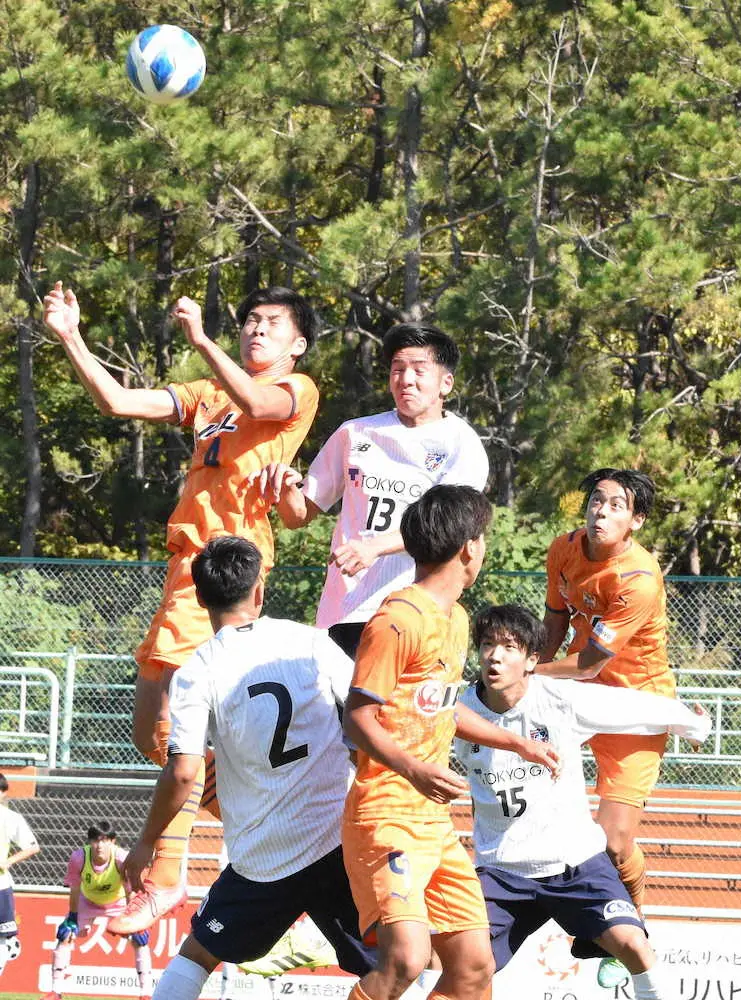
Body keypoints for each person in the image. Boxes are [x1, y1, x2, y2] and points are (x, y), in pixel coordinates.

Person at [43, 282, 320, 932]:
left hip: (228, 562)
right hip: (184, 569)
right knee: (153, 732)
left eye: (270, 323)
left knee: (177, 719)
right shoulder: (207, 396)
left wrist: (200, 338)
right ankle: (271, 817)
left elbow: (257, 399)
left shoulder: (295, 390)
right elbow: (115, 401)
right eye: (249, 320)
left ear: (297, 343)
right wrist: (70, 337)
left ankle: (166, 878)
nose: (255, 329)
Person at [122, 536, 375, 1000]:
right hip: (335, 840)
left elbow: (182, 772)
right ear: (260, 588)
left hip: (263, 858)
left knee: (197, 956)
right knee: (398, 964)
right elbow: (365, 713)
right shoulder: (311, 643)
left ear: (200, 598)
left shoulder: (198, 670)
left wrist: (145, 844)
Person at [341, 485, 560, 1000]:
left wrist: (516, 743)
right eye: (482, 537)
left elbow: (438, 707)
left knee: (474, 967)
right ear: (469, 548)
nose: (483, 547)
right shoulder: (398, 620)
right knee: (406, 960)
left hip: (433, 824)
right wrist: (414, 769)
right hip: (385, 816)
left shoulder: (457, 619)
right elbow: (357, 718)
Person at [455, 604, 711, 999]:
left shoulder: (557, 698)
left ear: (531, 660)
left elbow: (627, 707)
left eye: (508, 647)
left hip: (576, 863)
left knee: (634, 946)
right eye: (487, 644)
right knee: (460, 966)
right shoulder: (459, 713)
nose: (495, 655)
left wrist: (692, 723)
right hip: (501, 869)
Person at [258, 322, 489, 658]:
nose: (406, 379)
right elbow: (298, 515)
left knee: (399, 710)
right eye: (397, 369)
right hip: (345, 608)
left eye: (418, 370)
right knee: (339, 709)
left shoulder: (461, 444)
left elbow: (449, 528)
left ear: (445, 383)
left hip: (417, 609)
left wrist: (374, 547)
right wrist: (284, 486)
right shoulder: (355, 433)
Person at [536, 468, 673, 986]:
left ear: (635, 521)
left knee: (614, 844)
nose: (602, 511)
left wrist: (529, 672)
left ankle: (632, 920)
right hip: (572, 698)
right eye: (597, 500)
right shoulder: (563, 549)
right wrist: (528, 680)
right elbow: (553, 622)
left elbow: (592, 660)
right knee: (533, 799)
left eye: (618, 505)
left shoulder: (638, 577)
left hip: (635, 708)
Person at [41, 821, 152, 1000]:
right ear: (89, 842)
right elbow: (75, 888)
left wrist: (133, 919)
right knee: (65, 935)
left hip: (118, 903)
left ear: (113, 842)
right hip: (88, 902)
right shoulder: (79, 858)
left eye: (105, 840)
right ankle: (56, 991)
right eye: (95, 840)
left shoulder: (122, 859)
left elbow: (130, 890)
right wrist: (72, 917)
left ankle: (145, 993)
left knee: (140, 938)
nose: (100, 845)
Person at [0, 773, 39, 979]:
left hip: (0, 886)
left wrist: (7, 862)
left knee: (2, 936)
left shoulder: (10, 818)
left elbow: (32, 847)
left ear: (3, 793)